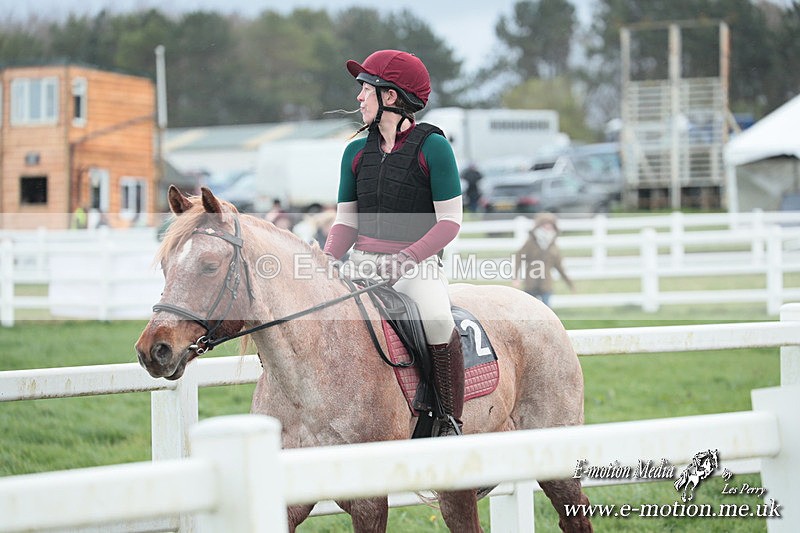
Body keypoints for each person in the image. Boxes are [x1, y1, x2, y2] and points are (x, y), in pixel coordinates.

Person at [323, 49, 464, 437]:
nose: (358, 97)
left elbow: (450, 221)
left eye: (365, 89)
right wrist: (324, 263)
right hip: (362, 264)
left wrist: (407, 258)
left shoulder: (434, 147)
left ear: (390, 96)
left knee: (437, 319)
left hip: (417, 267)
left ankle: (449, 420)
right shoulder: (354, 152)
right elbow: (345, 223)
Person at [514, 212, 575, 307]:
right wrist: (516, 277)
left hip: (546, 285)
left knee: (546, 312)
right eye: (545, 224)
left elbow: (559, 267)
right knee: (529, 310)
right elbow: (518, 258)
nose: (548, 227)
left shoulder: (553, 246)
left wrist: (569, 283)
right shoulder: (530, 243)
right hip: (531, 283)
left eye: (550, 224)